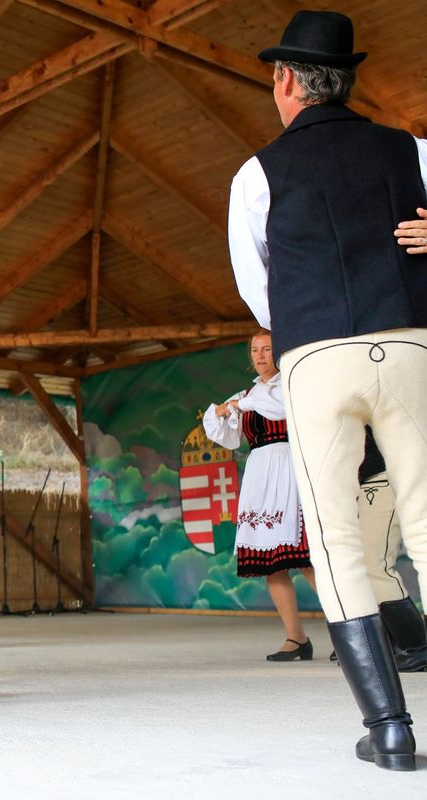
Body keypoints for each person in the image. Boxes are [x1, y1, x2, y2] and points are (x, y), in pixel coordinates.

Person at [227, 9, 427, 770]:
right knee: (425, 519)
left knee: (338, 536)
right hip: (409, 341)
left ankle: (390, 729)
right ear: (347, 79)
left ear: (285, 81)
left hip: (315, 355)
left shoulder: (257, 174)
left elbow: (259, 289)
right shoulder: (409, 149)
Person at [202, 332, 316, 660]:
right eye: (255, 350)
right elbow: (228, 437)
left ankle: (352, 633)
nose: (261, 355)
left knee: (306, 557)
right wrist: (224, 412)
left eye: (267, 349)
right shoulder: (248, 393)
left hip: (289, 466)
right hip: (260, 472)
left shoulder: (290, 383)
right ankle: (296, 638)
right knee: (271, 564)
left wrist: (240, 404)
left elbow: (277, 407)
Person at [356, 429, 427, 673]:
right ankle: (403, 643)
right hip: (379, 476)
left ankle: (417, 646)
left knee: (374, 566)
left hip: (381, 476)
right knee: (373, 566)